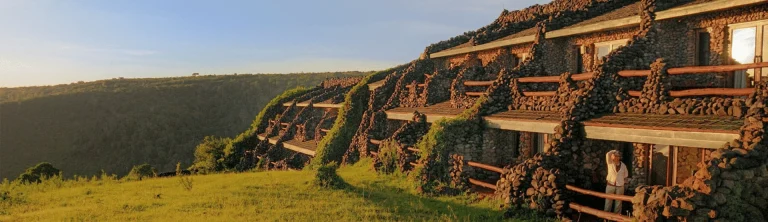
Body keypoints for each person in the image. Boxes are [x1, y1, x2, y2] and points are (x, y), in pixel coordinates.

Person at [604, 150, 629, 214]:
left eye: (617, 156)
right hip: (610, 185)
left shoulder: (623, 166)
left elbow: (626, 176)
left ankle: (617, 217)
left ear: (619, 157)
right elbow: (607, 154)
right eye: (614, 155)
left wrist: (625, 185)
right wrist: (614, 151)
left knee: (618, 202)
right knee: (608, 202)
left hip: (620, 186)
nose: (615, 157)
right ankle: (606, 217)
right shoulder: (610, 163)